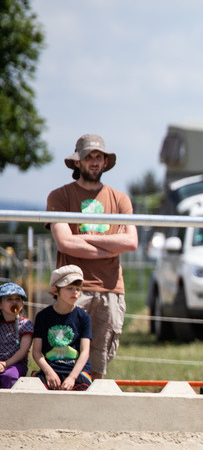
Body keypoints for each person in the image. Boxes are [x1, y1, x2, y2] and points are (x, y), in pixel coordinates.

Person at [46, 134, 137, 379]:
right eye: (89, 157)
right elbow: (65, 243)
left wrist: (84, 240)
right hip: (73, 290)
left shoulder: (120, 199)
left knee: (97, 367)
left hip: (110, 290)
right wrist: (110, 246)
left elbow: (130, 242)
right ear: (77, 162)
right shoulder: (59, 197)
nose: (95, 162)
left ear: (106, 162)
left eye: (99, 157)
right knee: (62, 358)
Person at [32, 265, 93, 391]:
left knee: (82, 393)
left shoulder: (84, 317)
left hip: (77, 371)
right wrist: (48, 372)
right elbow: (36, 352)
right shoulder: (42, 317)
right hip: (51, 369)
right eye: (69, 288)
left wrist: (72, 377)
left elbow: (85, 352)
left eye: (78, 288)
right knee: (35, 391)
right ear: (55, 291)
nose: (75, 292)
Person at [0, 282, 34, 389]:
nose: (14, 302)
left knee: (9, 376)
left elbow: (23, 351)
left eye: (18, 299)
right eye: (9, 299)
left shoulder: (25, 325)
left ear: (22, 304)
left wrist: (5, 363)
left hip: (15, 365)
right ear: (0, 305)